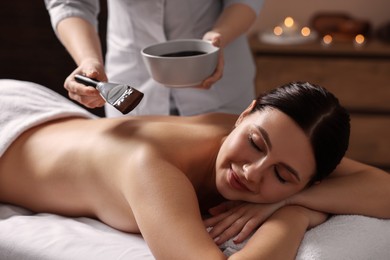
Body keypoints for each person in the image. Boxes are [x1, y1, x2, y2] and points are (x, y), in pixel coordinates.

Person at [1, 79, 390, 259]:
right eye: (255, 144)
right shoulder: (152, 166)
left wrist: (294, 200)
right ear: (244, 115)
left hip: (56, 123)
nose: (253, 172)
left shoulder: (277, 145)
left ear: (311, 180)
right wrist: (294, 216)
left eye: (283, 176)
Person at [44, 0, 264, 117]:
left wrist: (218, 37)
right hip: (130, 85)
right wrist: (88, 60)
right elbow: (71, 3)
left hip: (222, 90)